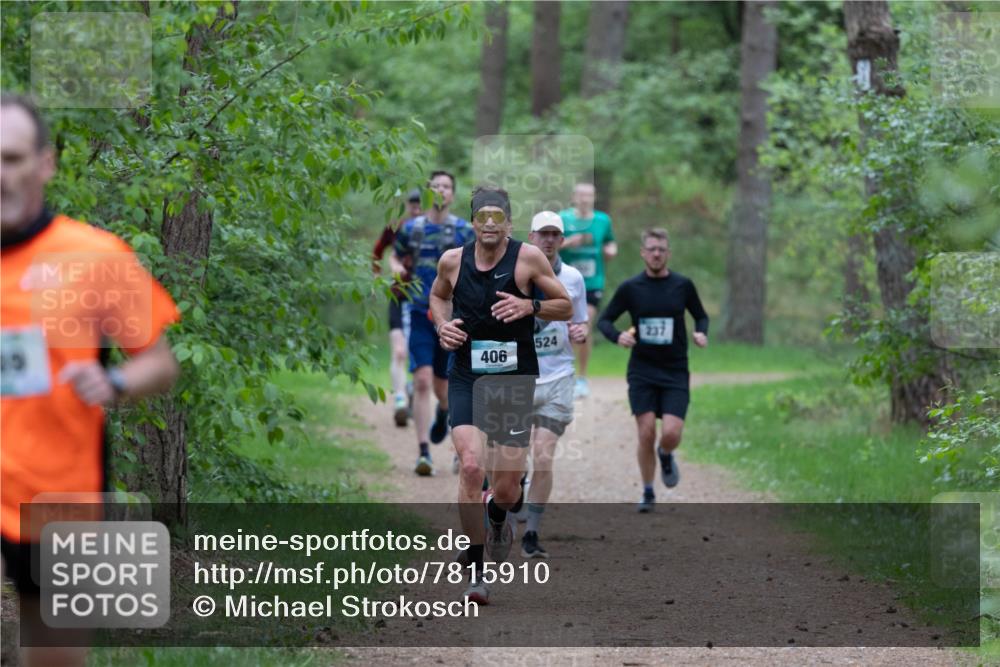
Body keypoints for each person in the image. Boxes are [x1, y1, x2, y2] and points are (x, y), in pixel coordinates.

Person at [0, 94, 181, 667]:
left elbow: (160, 361)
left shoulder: (93, 256)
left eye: (11, 158)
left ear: (45, 164)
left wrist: (114, 382)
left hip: (55, 489)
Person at [431, 188, 571, 604]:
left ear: (509, 222)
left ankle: (497, 517)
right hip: (467, 377)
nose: (490, 223)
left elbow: (564, 305)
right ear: (472, 221)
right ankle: (476, 568)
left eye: (498, 216)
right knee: (472, 467)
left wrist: (531, 308)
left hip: (513, 381)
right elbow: (438, 297)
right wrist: (442, 326)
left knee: (508, 491)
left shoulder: (528, 259)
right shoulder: (452, 261)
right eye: (482, 216)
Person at [596, 228, 708, 513]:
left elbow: (701, 315)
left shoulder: (683, 285)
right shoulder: (631, 288)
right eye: (652, 249)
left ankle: (666, 453)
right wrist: (618, 336)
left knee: (670, 433)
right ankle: (647, 491)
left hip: (675, 371)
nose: (656, 254)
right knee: (645, 433)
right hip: (642, 371)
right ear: (643, 253)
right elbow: (605, 320)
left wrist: (700, 333)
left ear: (668, 253)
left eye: (661, 249)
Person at [393, 171, 473, 476]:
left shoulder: (465, 232)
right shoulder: (411, 229)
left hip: (454, 318)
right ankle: (424, 452)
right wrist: (398, 269)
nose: (441, 190)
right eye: (436, 185)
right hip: (418, 312)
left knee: (446, 387)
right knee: (423, 380)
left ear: (452, 194)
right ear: (428, 192)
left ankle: (445, 413)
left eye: (446, 186)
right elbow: (395, 258)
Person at [521, 211, 589, 558]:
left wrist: (581, 331)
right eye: (542, 234)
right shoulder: (515, 274)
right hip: (518, 377)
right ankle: (513, 490)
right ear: (531, 237)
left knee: (543, 454)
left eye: (555, 235)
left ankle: (531, 533)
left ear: (562, 240)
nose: (548, 240)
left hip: (558, 376)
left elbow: (580, 323)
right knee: (511, 461)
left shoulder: (574, 278)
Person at [558, 182, 617, 399]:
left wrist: (610, 251)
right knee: (563, 328)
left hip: (592, 282)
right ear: (573, 197)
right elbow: (546, 246)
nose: (585, 199)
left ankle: (581, 378)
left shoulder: (603, 220)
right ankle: (563, 375)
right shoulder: (562, 218)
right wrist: (566, 244)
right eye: (581, 195)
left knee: (584, 323)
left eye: (589, 195)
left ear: (594, 197)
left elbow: (610, 243)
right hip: (562, 281)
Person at [373, 188, 422, 427]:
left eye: (419, 205)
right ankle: (400, 400)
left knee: (417, 353)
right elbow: (377, 251)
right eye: (412, 204)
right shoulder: (396, 227)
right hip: (398, 295)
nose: (415, 209)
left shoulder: (432, 232)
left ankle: (411, 388)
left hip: (423, 299)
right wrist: (377, 279)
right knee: (399, 351)